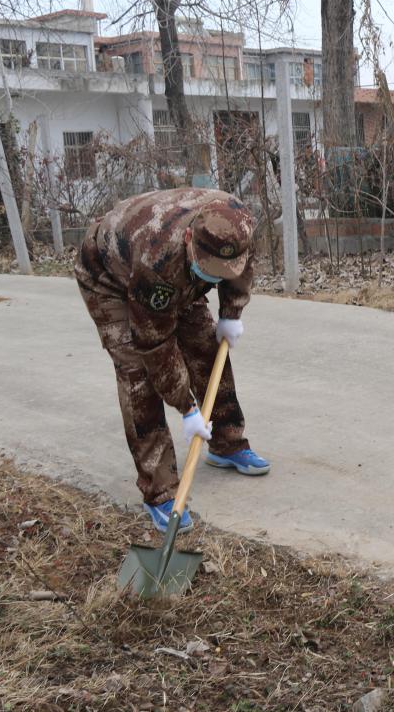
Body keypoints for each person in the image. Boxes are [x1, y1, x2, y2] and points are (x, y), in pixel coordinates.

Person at [75, 188, 270, 534]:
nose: (216, 276)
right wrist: (188, 408)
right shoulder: (158, 260)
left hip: (176, 272)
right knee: (139, 377)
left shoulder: (239, 224)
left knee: (207, 349)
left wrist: (231, 312)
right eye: (211, 268)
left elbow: (242, 269)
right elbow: (155, 345)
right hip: (110, 277)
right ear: (190, 239)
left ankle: (226, 443)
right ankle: (160, 489)